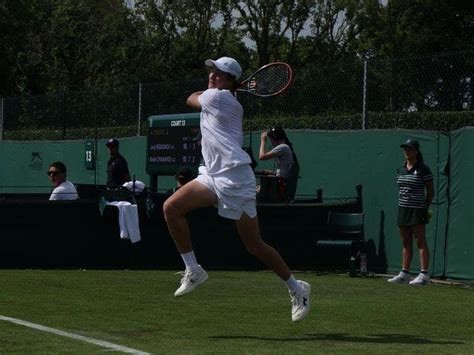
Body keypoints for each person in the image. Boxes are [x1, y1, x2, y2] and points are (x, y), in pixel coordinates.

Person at [162, 56, 311, 322]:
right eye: (212, 71)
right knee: (171, 207)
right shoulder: (222, 96)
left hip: (235, 180)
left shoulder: (218, 99)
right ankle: (193, 270)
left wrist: (214, 90)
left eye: (219, 74)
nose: (212, 76)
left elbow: (190, 98)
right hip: (211, 175)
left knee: (254, 245)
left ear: (231, 81)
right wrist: (222, 86)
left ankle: (297, 289)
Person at [388, 139, 434, 286]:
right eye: (405, 149)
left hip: (417, 210)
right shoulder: (400, 170)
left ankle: (424, 275)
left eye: (410, 149)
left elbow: (430, 192)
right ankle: (404, 274)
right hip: (403, 209)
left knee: (420, 241)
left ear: (416, 151)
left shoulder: (423, 169)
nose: (407, 152)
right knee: (406, 242)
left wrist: (424, 207)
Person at [258, 127, 299, 202]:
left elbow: (262, 156)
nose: (272, 143)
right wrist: (273, 173)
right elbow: (284, 170)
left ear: (276, 138)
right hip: (281, 182)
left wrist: (263, 141)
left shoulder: (283, 147)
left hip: (281, 185)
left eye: (271, 141)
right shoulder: (285, 147)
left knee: (256, 191)